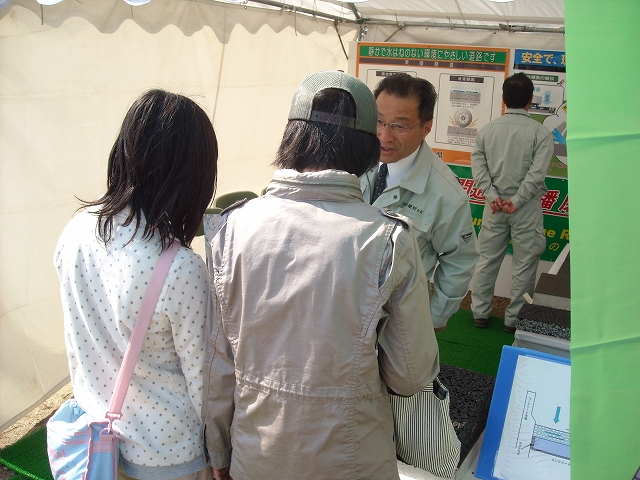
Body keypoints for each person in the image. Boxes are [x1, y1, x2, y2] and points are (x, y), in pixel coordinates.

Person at [202, 70, 440, 480]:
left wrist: (220, 451)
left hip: (256, 453)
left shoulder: (231, 227)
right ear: (366, 146)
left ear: (291, 135)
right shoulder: (388, 238)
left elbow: (217, 367)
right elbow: (409, 375)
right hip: (352, 458)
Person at [54, 89, 220, 480]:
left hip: (99, 443)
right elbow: (205, 384)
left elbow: (77, 340)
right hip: (168, 456)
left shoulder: (75, 231)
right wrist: (222, 454)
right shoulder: (180, 268)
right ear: (191, 176)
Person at [360, 73, 478, 332]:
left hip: (397, 323)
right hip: (343, 308)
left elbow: (460, 261)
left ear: (426, 128)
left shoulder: (446, 194)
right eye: (379, 121)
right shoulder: (353, 161)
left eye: (399, 126)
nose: (384, 136)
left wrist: (433, 320)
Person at [470, 72, 554, 332]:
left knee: (486, 261)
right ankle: (514, 320)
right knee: (525, 265)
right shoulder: (541, 133)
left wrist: (493, 196)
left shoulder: (487, 131)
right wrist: (517, 201)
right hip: (525, 208)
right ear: (530, 100)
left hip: (494, 207)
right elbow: (537, 174)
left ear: (504, 99)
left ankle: (479, 313)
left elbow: (478, 168)